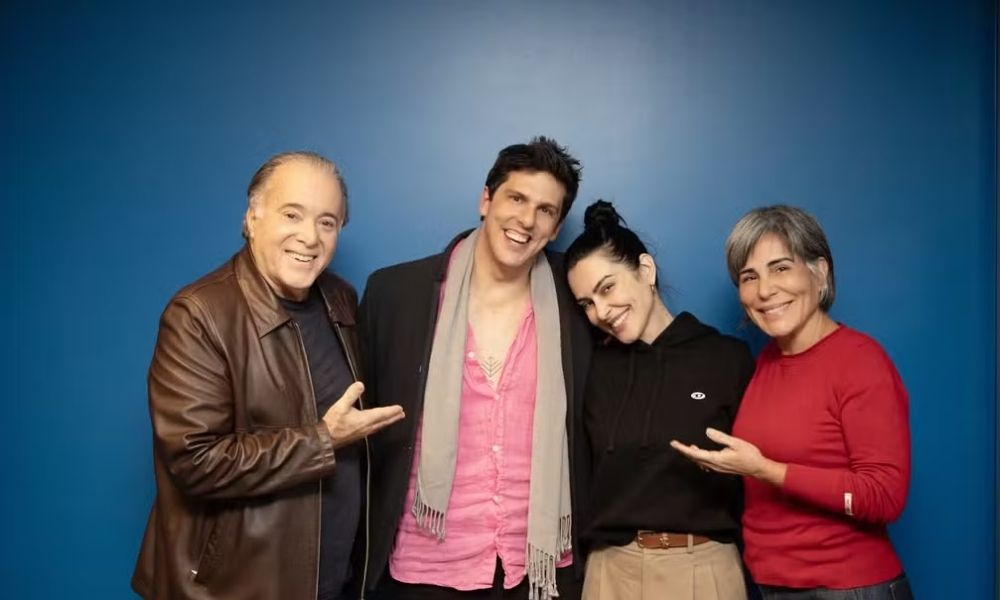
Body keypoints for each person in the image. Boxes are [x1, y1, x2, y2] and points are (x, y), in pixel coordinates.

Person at [132, 151, 405, 600]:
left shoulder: (340, 298)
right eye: (292, 214)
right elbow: (195, 463)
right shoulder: (199, 314)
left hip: (331, 581)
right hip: (235, 587)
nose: (309, 237)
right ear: (252, 217)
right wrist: (323, 439)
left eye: (327, 222)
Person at [358, 137, 592, 600]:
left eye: (545, 210)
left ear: (556, 227)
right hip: (425, 566)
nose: (527, 220)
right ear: (486, 200)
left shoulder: (577, 299)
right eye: (516, 198)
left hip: (542, 569)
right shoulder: (395, 294)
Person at [671, 205, 913, 600]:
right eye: (749, 277)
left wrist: (767, 470)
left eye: (781, 268)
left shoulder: (861, 361)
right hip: (774, 586)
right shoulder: (766, 362)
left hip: (848, 588)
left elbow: (884, 496)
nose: (765, 290)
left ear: (820, 272)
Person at [563, 200, 754, 600]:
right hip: (609, 574)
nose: (601, 312)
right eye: (586, 304)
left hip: (704, 569)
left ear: (645, 270)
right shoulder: (591, 369)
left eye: (607, 288)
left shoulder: (727, 359)